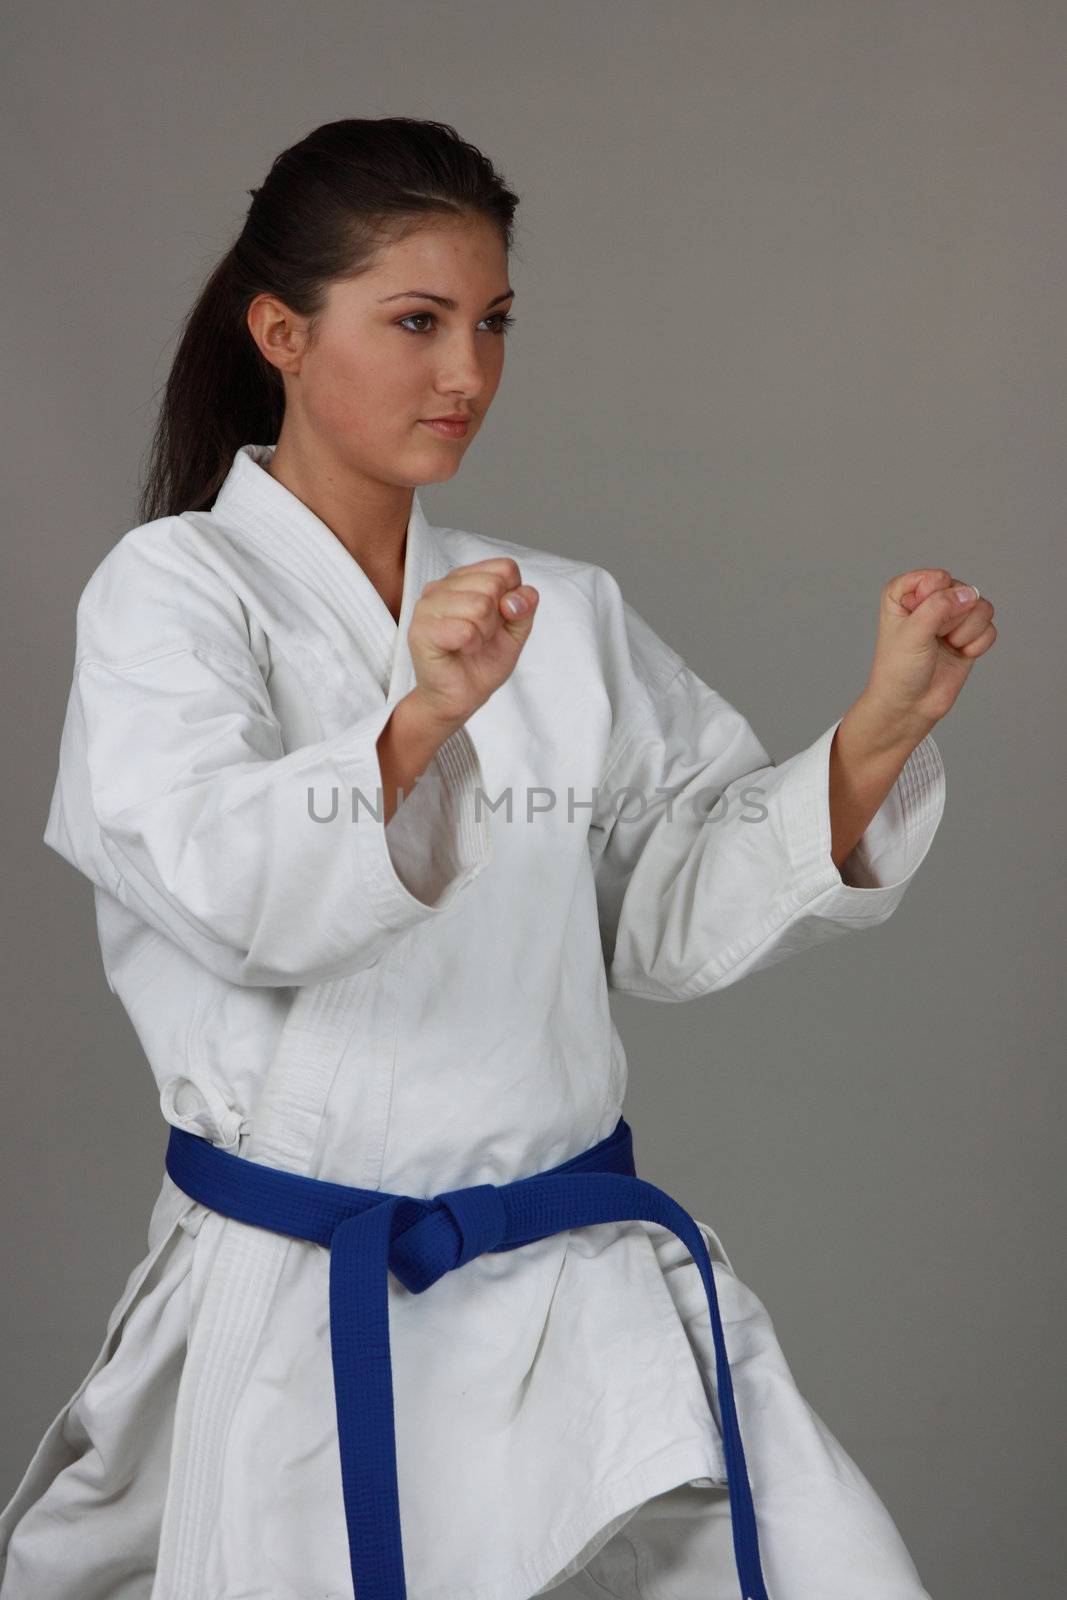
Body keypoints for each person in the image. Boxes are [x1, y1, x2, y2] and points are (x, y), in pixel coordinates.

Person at [0, 116, 996, 1600]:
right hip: (309, 1316)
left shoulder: (555, 615)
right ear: (281, 331)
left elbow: (667, 908)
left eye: (493, 324)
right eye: (417, 322)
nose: (467, 372)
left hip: (576, 1284)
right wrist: (414, 731)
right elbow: (217, 880)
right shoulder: (173, 594)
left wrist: (871, 735)